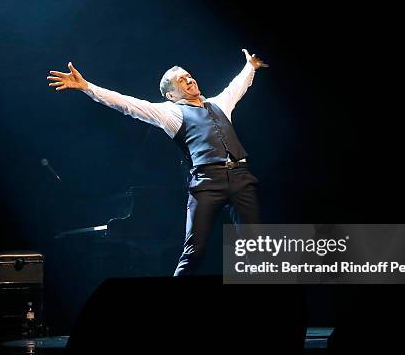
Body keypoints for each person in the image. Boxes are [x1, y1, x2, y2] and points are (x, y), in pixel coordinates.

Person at [47, 49, 268, 276]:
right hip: (207, 182)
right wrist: (88, 87)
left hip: (241, 177)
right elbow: (127, 104)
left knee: (254, 245)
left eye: (189, 75)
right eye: (181, 80)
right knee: (194, 250)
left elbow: (237, 86)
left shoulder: (218, 103)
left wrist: (250, 66)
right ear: (171, 95)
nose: (189, 79)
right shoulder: (170, 112)